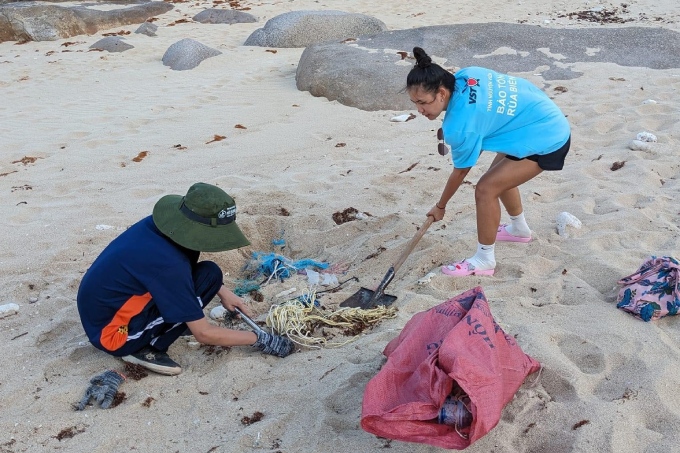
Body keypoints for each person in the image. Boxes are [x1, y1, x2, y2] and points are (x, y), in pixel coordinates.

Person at [77, 182, 294, 376]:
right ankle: (145, 348)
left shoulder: (164, 227)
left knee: (211, 274)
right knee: (192, 312)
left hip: (103, 306)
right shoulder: (169, 264)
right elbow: (204, 334)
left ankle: (160, 326)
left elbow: (181, 273)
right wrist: (260, 339)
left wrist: (224, 293)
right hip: (113, 333)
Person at [406, 47, 571, 276]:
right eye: (414, 103)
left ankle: (484, 260)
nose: (419, 110)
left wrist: (441, 206)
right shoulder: (466, 75)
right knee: (499, 174)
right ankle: (519, 229)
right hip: (539, 115)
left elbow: (461, 172)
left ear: (442, 93)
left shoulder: (458, 126)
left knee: (486, 188)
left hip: (546, 136)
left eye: (423, 102)